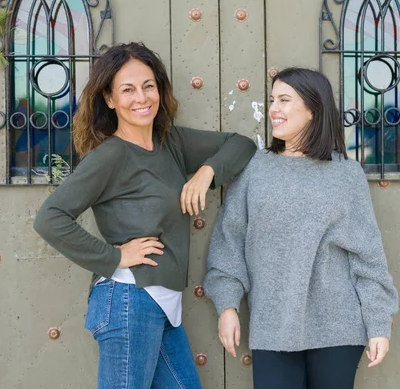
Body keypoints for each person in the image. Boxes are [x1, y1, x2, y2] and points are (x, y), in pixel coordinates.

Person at [33, 42, 256, 389]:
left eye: (148, 85)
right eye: (128, 89)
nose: (141, 97)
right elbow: (50, 218)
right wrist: (115, 256)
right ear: (109, 99)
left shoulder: (172, 143)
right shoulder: (110, 157)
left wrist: (206, 171)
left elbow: (242, 144)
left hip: (162, 307)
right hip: (128, 303)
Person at [203, 67, 399, 389]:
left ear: (312, 110)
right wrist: (227, 305)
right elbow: (230, 241)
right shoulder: (255, 169)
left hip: (338, 326)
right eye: (271, 100)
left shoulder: (346, 175)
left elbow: (368, 256)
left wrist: (378, 323)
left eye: (284, 100)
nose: (273, 109)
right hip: (272, 324)